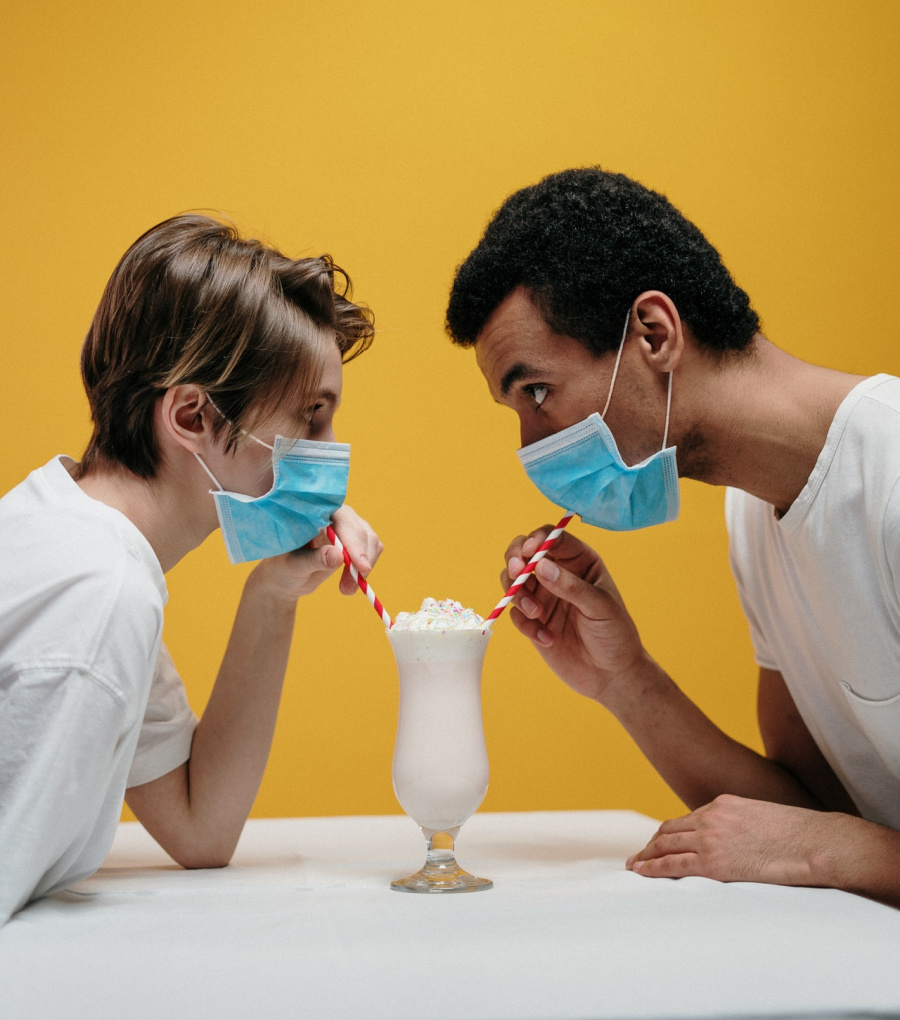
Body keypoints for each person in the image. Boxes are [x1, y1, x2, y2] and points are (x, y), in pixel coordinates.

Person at [445, 167, 900, 907]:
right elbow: (804, 811)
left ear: (654, 334)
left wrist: (827, 848)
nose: (532, 444)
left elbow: (819, 839)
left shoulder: (894, 478)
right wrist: (624, 680)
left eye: (536, 393)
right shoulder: (756, 515)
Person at [0, 214, 382, 926]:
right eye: (311, 416)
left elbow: (199, 826)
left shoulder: (82, 546)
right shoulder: (97, 596)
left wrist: (274, 593)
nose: (332, 450)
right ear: (194, 417)